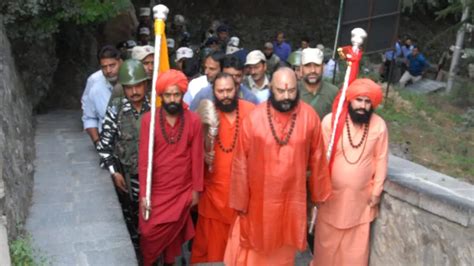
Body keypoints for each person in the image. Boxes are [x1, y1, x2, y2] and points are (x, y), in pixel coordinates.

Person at [224, 67, 332, 266]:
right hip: (259, 201)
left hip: (292, 200)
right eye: (281, 91)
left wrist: (319, 194)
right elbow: (240, 162)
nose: (286, 96)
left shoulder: (309, 117)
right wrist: (240, 200)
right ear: (271, 89)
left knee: (284, 247)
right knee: (257, 246)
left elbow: (318, 158)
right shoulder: (254, 119)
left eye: (291, 90)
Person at [313, 78, 388, 266]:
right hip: (330, 199)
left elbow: (381, 159)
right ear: (350, 100)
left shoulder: (379, 126)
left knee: (354, 255)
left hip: (360, 202)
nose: (362, 106)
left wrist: (376, 192)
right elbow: (319, 159)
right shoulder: (332, 121)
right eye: (359, 100)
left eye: (367, 101)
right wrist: (317, 189)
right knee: (325, 252)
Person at [138, 70, 204, 266]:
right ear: (160, 96)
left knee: (173, 238)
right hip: (156, 190)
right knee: (148, 233)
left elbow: (198, 158)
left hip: (182, 190)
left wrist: (196, 191)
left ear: (182, 94)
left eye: (176, 94)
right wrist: (144, 194)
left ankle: (170, 263)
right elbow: (143, 161)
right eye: (168, 95)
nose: (173, 99)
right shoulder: (149, 120)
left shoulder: (193, 121)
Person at [191, 73, 255, 263]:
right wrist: (202, 152)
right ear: (213, 92)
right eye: (220, 91)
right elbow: (191, 151)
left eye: (229, 90)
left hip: (244, 195)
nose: (225, 95)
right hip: (214, 196)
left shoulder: (252, 111)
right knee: (212, 251)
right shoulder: (205, 113)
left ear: (237, 89)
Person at [96, 59, 150, 257]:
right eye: (129, 87)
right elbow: (104, 146)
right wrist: (114, 172)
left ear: (145, 84)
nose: (134, 91)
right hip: (128, 177)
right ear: (123, 88)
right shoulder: (116, 110)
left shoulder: (157, 107)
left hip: (156, 178)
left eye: (138, 85)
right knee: (134, 222)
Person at [81, 45, 123, 146]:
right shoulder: (95, 86)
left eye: (112, 65)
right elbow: (89, 118)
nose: (108, 71)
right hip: (108, 145)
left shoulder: (133, 85)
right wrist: (97, 142)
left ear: (121, 62)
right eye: (104, 67)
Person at [190, 55, 259, 111]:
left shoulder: (250, 99)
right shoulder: (204, 95)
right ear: (221, 73)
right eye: (229, 75)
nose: (233, 80)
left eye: (238, 76)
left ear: (243, 76)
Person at [298, 48, 339, 119]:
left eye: (317, 65)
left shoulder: (333, 92)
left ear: (323, 67)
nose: (313, 70)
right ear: (301, 68)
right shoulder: (293, 91)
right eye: (308, 66)